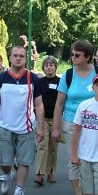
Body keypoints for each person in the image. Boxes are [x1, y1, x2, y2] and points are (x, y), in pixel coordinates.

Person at [0, 45, 45, 195]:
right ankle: (8, 175)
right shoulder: (0, 79)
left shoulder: (33, 78)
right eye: (15, 55)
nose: (18, 58)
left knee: (24, 161)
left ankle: (19, 190)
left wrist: (41, 127)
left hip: (27, 127)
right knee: (4, 161)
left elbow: (38, 104)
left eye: (21, 56)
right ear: (10, 58)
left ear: (26, 59)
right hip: (4, 126)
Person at [52, 40, 98, 195]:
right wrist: (56, 128)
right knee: (74, 158)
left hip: (94, 124)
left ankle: (90, 190)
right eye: (72, 54)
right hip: (71, 122)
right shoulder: (68, 75)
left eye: (77, 55)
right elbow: (59, 103)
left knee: (91, 159)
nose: (73, 57)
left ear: (87, 57)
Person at [35, 56, 60, 185]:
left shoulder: (60, 82)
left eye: (51, 65)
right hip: (42, 118)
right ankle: (40, 173)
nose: (49, 67)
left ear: (55, 67)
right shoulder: (39, 82)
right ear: (43, 68)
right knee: (42, 146)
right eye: (46, 65)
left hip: (56, 119)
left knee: (53, 147)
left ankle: (51, 172)